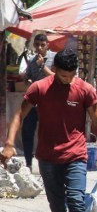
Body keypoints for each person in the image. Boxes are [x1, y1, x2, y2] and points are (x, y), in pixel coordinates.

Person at [1, 49, 97, 212]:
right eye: (63, 76)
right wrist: (10, 143)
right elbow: (19, 115)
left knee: (77, 201)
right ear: (55, 70)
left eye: (71, 76)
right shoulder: (39, 88)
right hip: (48, 157)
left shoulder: (85, 90)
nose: (67, 80)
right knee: (57, 205)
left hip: (76, 155)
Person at [19, 33, 55, 169]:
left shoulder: (54, 58)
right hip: (34, 103)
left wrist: (42, 66)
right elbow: (28, 76)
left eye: (42, 45)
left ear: (47, 45)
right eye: (37, 45)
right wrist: (26, 79)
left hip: (50, 103)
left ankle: (49, 164)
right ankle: (28, 163)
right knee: (27, 131)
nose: (39, 47)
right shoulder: (32, 60)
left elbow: (56, 77)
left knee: (48, 134)